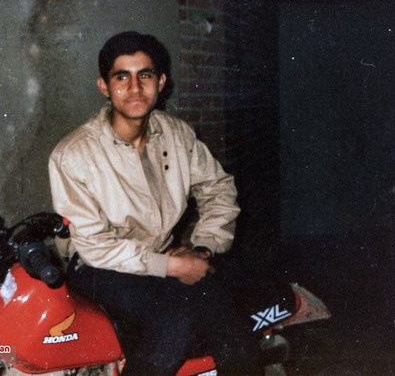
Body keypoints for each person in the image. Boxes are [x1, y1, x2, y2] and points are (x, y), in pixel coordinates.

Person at [48, 31, 261, 375]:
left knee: (234, 333)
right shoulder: (73, 154)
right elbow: (95, 247)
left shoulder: (177, 135)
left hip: (161, 259)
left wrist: (204, 247)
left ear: (160, 82)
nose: (135, 88)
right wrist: (172, 267)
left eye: (144, 75)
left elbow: (218, 188)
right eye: (122, 77)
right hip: (98, 268)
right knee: (174, 322)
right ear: (104, 87)